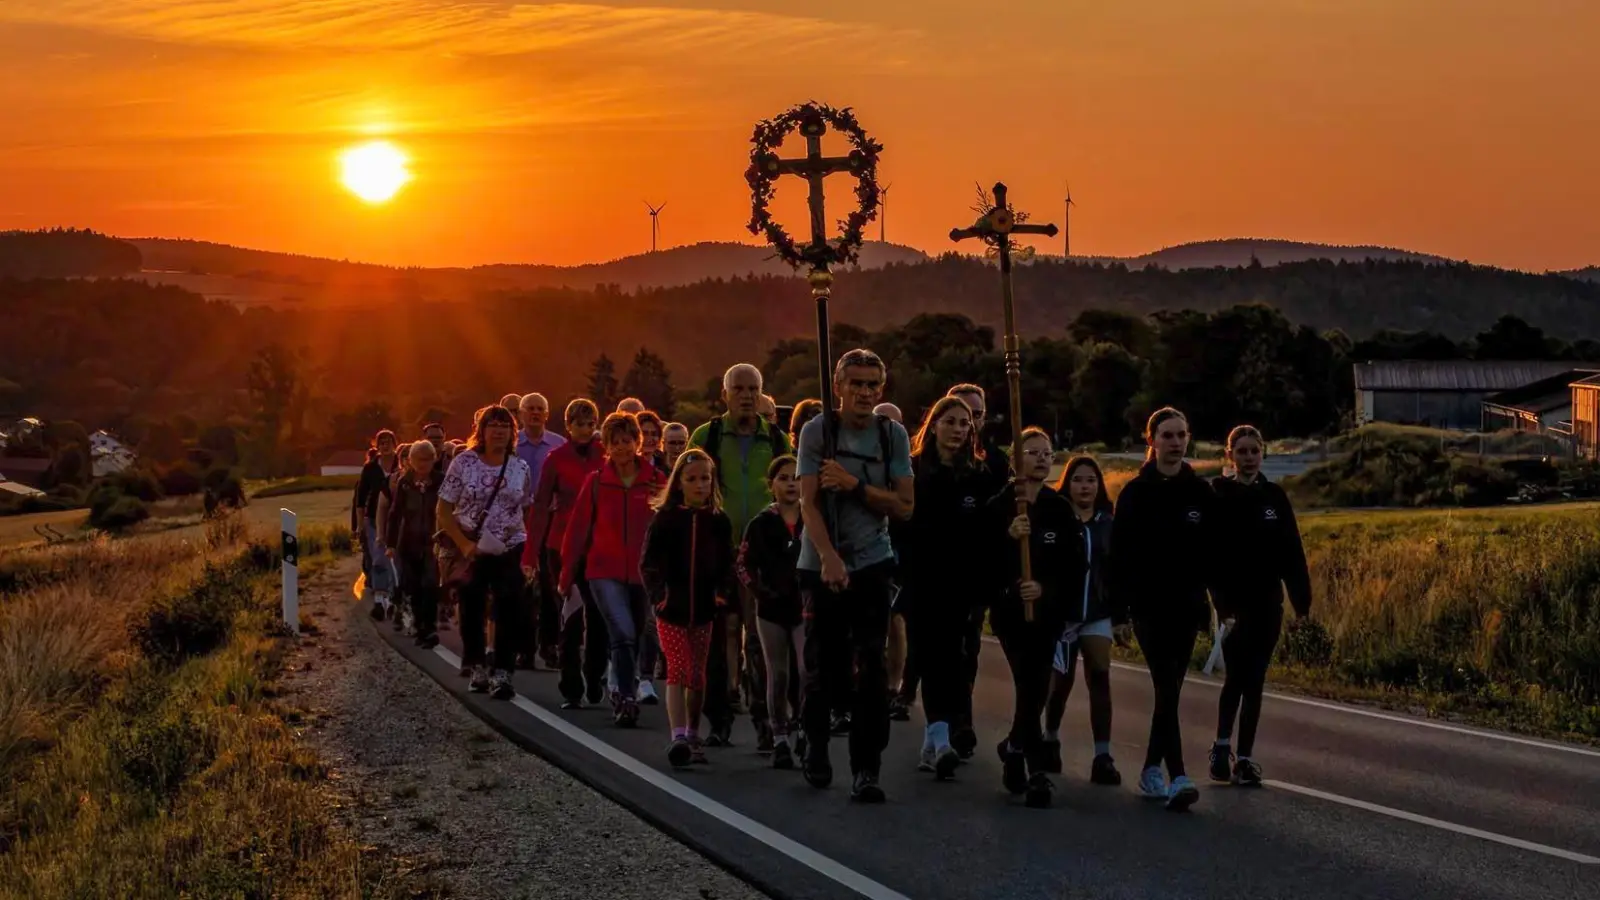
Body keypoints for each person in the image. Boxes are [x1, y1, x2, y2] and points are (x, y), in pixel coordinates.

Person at [796, 349, 914, 803]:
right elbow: (807, 502)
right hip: (820, 561)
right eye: (856, 384)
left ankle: (867, 767)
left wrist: (855, 486)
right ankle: (817, 745)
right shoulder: (817, 432)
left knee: (872, 665)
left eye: (872, 385)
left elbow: (904, 505)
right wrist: (827, 557)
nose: (864, 392)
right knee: (823, 664)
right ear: (839, 386)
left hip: (873, 560)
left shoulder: (892, 436)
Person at [1112, 406, 1217, 811]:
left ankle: (1150, 768)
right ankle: (1178, 776)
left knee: (1170, 691)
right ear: (1151, 440)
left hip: (1187, 605)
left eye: (1180, 435)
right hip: (1147, 606)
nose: (1175, 442)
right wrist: (1119, 613)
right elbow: (1119, 556)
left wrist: (1214, 606)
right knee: (1163, 684)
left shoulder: (1200, 493)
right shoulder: (1136, 494)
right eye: (1167, 435)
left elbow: (1212, 555)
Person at [899, 395, 1004, 780]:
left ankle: (934, 740)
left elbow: (991, 528)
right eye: (951, 422)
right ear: (934, 425)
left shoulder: (979, 476)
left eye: (965, 425)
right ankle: (941, 738)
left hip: (964, 584)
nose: (959, 430)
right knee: (930, 656)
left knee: (956, 661)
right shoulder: (912, 472)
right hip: (921, 580)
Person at [690, 363, 794, 749]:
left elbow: (794, 487)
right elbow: (687, 486)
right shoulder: (708, 436)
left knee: (760, 643)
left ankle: (766, 721)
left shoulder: (777, 440)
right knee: (717, 638)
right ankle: (719, 720)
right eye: (739, 389)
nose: (747, 396)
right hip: (717, 551)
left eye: (753, 389)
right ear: (725, 394)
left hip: (764, 555)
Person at [1209, 425, 1312, 788]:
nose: (1249, 457)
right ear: (1230, 456)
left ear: (1262, 454)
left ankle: (1246, 758)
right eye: (1242, 451)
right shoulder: (1219, 495)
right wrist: (1222, 606)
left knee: (1256, 681)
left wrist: (1302, 604)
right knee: (1236, 677)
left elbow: (1292, 553)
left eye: (1254, 451)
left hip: (1269, 603)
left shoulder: (1275, 498)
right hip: (1234, 606)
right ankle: (1222, 746)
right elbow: (1212, 557)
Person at [991, 427, 1083, 808]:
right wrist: (1008, 539)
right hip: (1012, 614)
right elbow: (981, 561)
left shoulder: (1058, 508)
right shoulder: (1000, 505)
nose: (1043, 458)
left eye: (1048, 453)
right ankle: (1036, 769)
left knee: (1037, 685)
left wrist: (1044, 589)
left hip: (1047, 614)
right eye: (1033, 452)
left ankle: (1017, 750)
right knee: (1028, 682)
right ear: (1016, 458)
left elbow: (1075, 564)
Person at [561, 412, 666, 727]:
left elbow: (666, 527)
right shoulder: (596, 482)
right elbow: (577, 531)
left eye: (627, 441)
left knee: (634, 631)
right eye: (615, 442)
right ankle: (624, 696)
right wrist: (567, 574)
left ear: (638, 443)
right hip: (603, 571)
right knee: (621, 632)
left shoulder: (655, 481)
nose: (621, 448)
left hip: (643, 574)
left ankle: (621, 683)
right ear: (605, 445)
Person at [641, 448, 736, 766]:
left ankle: (694, 732)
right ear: (679, 482)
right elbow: (648, 562)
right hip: (672, 608)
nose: (699, 485)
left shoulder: (718, 522)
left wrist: (721, 593)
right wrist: (659, 595)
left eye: (705, 479)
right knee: (678, 670)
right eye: (692, 479)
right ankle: (678, 736)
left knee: (697, 675)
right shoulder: (665, 520)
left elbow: (727, 563)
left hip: (705, 608)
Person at [437, 405, 532, 700]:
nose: (500, 431)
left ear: (513, 432)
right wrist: (463, 544)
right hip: (472, 546)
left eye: (505, 426)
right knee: (472, 607)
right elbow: (443, 509)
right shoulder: (464, 463)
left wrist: (528, 552)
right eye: (493, 426)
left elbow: (526, 507)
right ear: (482, 431)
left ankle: (503, 672)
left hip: (510, 545)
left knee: (508, 608)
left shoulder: (520, 467)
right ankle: (476, 664)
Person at [1041, 455, 1123, 786]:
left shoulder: (1108, 522)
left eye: (1091, 480)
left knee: (1100, 675)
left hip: (1097, 613)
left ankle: (1102, 755)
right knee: (1061, 682)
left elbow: (1118, 571)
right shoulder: (1058, 519)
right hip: (1062, 616)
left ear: (1099, 485)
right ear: (1067, 484)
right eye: (1077, 479)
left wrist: (1120, 615)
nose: (1085, 486)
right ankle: (1050, 737)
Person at [525, 399, 609, 709]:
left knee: (599, 616)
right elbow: (540, 508)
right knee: (571, 615)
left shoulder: (606, 455)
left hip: (599, 546)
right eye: (579, 424)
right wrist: (529, 554)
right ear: (568, 426)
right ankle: (571, 683)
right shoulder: (555, 459)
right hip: (561, 546)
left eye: (590, 424)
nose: (585, 430)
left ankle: (595, 672)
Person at [739, 455, 807, 770]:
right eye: (783, 477)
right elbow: (743, 564)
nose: (791, 483)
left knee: (806, 671)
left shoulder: (814, 520)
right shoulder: (762, 523)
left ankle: (806, 727)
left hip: (805, 608)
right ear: (771, 485)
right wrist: (761, 591)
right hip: (771, 609)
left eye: (796, 476)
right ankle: (779, 734)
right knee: (777, 672)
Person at [515, 392, 567, 669]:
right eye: (530, 409)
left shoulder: (559, 445)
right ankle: (524, 648)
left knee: (549, 587)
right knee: (522, 588)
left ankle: (549, 645)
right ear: (521, 414)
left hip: (550, 522)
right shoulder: (512, 445)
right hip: (518, 522)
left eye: (540, 409)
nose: (535, 413)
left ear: (546, 415)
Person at [385, 438, 445, 649]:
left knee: (429, 585)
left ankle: (429, 629)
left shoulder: (441, 481)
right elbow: (395, 514)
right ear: (410, 460)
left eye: (428, 459)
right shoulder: (405, 482)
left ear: (434, 460)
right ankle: (420, 627)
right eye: (419, 459)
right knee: (412, 586)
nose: (423, 464)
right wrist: (390, 543)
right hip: (408, 542)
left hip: (433, 542)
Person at [354, 429, 399, 619]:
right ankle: (380, 597)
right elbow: (361, 497)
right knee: (379, 557)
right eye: (381, 442)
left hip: (397, 518)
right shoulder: (370, 468)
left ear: (394, 444)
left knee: (395, 560)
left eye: (388, 441)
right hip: (373, 518)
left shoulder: (402, 464)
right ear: (377, 446)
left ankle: (393, 596)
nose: (385, 445)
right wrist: (359, 524)